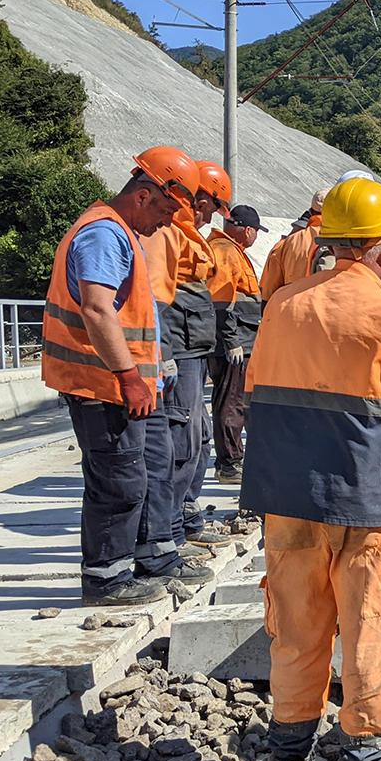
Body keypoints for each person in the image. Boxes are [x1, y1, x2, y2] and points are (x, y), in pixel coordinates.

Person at [241, 177, 381, 761]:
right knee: (366, 628)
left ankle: (286, 753)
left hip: (288, 502)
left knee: (296, 630)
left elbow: (258, 403)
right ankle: (363, 756)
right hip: (364, 505)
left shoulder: (282, 306)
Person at [42, 146, 216, 607]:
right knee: (116, 482)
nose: (165, 222)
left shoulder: (120, 232)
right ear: (143, 195)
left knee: (140, 474)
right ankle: (106, 581)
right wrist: (129, 376)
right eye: (163, 209)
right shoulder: (104, 234)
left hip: (124, 382)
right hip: (102, 383)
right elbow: (98, 309)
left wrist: (149, 371)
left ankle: (141, 562)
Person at [142, 160, 232, 552]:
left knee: (198, 434)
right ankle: (171, 528)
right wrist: (163, 352)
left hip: (194, 348)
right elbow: (153, 296)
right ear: (199, 198)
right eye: (213, 206)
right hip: (178, 349)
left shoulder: (188, 233)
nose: (214, 215)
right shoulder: (166, 232)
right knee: (182, 437)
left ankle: (185, 515)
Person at [207, 205, 265, 484]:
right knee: (232, 402)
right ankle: (229, 463)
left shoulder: (228, 249)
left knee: (232, 400)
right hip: (235, 341)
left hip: (240, 338)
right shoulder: (226, 251)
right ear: (248, 231)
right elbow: (221, 300)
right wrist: (231, 342)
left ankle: (230, 461)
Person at [260, 188, 328, 299]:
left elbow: (270, 288)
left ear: (310, 212)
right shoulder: (343, 242)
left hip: (290, 307)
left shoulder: (289, 242)